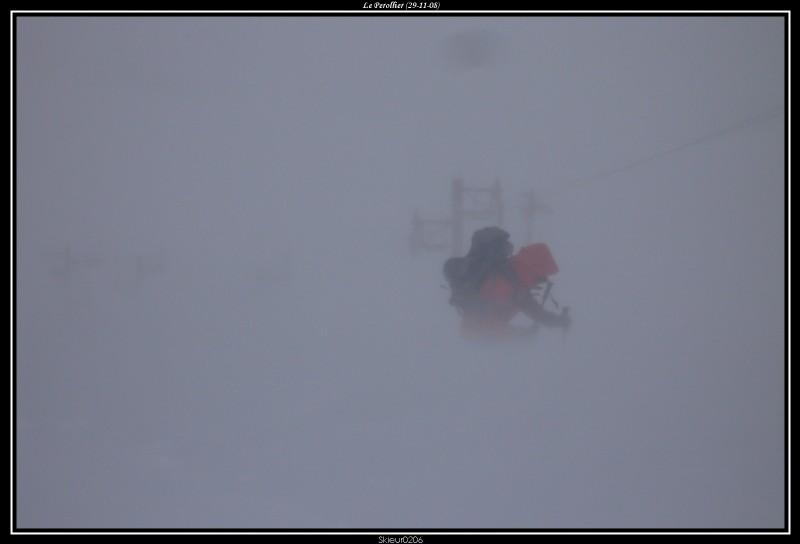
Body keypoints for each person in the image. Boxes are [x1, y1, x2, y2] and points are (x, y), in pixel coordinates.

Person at [443, 226, 570, 339]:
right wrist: (520, 334)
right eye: (540, 277)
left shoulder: (517, 284)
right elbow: (488, 322)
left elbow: (535, 312)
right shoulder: (503, 284)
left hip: (485, 339)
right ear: (533, 270)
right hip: (476, 340)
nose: (540, 282)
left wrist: (557, 321)